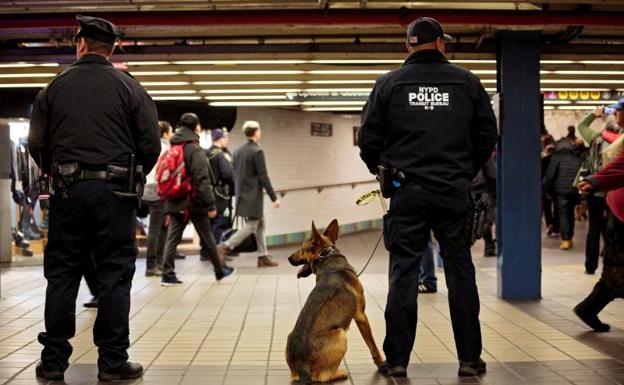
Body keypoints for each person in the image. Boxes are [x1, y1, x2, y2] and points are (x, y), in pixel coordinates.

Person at [358, 17, 497, 378]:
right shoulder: (467, 82)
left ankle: (398, 361)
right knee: (460, 271)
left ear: (409, 46)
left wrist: (386, 170)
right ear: (440, 44)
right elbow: (487, 136)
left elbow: (368, 140)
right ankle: (469, 359)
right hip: (453, 192)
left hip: (408, 193)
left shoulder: (388, 84)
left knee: (403, 273)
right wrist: (463, 171)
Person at [28, 15, 160, 381]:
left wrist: (58, 170)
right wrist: (130, 176)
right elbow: (151, 145)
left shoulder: (53, 88)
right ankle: (113, 363)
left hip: (68, 193)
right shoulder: (130, 88)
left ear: (80, 43)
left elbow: (36, 143)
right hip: (116, 195)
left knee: (63, 275)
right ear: (113, 49)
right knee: (114, 276)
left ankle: (53, 362)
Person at [160, 113, 235, 286]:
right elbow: (202, 179)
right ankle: (219, 270)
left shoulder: (174, 146)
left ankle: (167, 273)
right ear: (197, 127)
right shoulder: (194, 148)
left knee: (172, 237)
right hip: (193, 202)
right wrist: (210, 204)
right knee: (208, 236)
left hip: (175, 200)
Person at [217, 120, 281, 268]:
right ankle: (225, 246)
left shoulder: (238, 151)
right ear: (256, 132)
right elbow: (263, 176)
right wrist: (274, 197)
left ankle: (263, 256)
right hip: (253, 196)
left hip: (242, 194)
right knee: (252, 225)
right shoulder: (257, 151)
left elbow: (235, 174)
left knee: (260, 223)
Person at [575, 150, 624, 332]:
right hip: (620, 215)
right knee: (616, 271)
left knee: (616, 271)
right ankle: (588, 308)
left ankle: (588, 308)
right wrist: (595, 181)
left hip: (617, 211)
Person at [576, 103, 624, 274]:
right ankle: (612, 265)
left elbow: (581, 126)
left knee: (594, 228)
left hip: (594, 188)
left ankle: (590, 266)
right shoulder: (621, 140)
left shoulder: (597, 137)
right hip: (615, 188)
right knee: (613, 226)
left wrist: (594, 114)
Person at [142, 121, 173, 276]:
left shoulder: (149, 145)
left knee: (157, 228)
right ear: (166, 133)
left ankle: (156, 263)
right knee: (159, 228)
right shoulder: (167, 148)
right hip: (159, 190)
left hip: (145, 188)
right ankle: (153, 265)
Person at [200, 128, 235, 261]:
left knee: (207, 223)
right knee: (219, 222)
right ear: (220, 139)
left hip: (206, 192)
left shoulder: (205, 153)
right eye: (225, 138)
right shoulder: (220, 154)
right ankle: (214, 252)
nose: (227, 140)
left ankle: (205, 252)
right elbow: (228, 174)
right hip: (219, 194)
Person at [543, 138, 584, 250]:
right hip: (574, 190)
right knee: (570, 214)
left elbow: (550, 175)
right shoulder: (577, 157)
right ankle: (569, 236)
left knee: (564, 214)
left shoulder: (557, 157)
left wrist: (545, 189)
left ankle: (566, 239)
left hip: (561, 192)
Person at [472, 152, 497, 256]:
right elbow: (492, 174)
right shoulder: (484, 152)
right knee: (484, 222)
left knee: (481, 221)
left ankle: (489, 246)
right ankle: (489, 246)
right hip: (482, 189)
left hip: (468, 189)